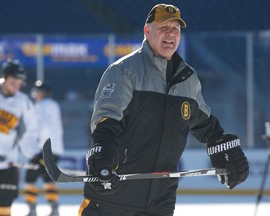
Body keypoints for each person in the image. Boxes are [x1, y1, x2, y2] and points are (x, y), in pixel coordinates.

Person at [78, 3, 250, 216]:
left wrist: (221, 144)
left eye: (175, 29)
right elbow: (107, 120)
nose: (170, 34)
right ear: (147, 31)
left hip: (160, 203)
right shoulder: (124, 71)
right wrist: (102, 154)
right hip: (113, 198)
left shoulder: (188, 79)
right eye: (163, 27)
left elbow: (205, 124)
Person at [0, 58, 42, 216]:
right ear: (4, 77)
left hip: (6, 165)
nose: (17, 84)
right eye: (14, 79)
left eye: (20, 81)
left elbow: (28, 134)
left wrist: (35, 155)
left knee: (3, 210)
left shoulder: (23, 103)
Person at [24, 81, 64, 216]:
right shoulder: (54, 105)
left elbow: (42, 128)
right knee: (48, 178)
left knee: (30, 177)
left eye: (37, 92)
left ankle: (32, 209)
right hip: (55, 149)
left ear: (43, 93)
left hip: (43, 149)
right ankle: (54, 208)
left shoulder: (41, 106)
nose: (35, 95)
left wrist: (36, 147)